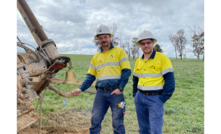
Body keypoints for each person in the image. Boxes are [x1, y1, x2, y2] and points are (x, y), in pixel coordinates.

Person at [71, 24, 131, 134]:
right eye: (100, 38)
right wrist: (81, 89)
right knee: (95, 120)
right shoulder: (96, 57)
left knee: (118, 122)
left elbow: (126, 71)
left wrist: (120, 88)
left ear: (110, 37)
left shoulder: (119, 52)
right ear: (98, 40)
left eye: (105, 37)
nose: (103, 40)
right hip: (100, 93)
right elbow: (90, 76)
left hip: (116, 93)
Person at [133, 30, 175, 134]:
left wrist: (162, 99)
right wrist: (135, 95)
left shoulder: (163, 58)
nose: (146, 45)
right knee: (143, 129)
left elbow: (170, 81)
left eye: (148, 42)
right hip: (140, 98)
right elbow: (135, 79)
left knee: (156, 130)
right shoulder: (138, 61)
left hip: (155, 99)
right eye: (143, 43)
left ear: (153, 43)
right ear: (140, 45)